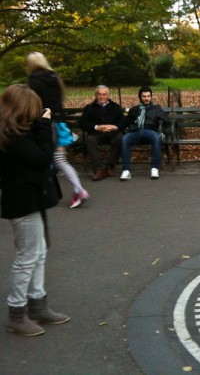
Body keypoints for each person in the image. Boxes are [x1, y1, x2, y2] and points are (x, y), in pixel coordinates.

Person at [0, 85, 70, 337]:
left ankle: (37, 304)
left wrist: (39, 127)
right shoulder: (10, 136)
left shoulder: (17, 132)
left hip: (31, 199)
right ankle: (17, 313)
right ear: (21, 110)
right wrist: (43, 126)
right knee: (27, 257)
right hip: (23, 201)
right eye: (33, 110)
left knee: (38, 253)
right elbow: (42, 158)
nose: (36, 114)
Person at [27, 52, 89, 209]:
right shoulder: (54, 78)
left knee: (57, 160)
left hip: (45, 123)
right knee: (57, 159)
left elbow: (34, 103)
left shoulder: (34, 80)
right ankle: (68, 189)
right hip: (59, 122)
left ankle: (78, 189)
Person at [120, 86, 170, 181]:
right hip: (135, 132)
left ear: (151, 97)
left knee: (156, 138)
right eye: (144, 96)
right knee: (125, 139)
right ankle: (126, 170)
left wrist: (163, 134)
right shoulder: (134, 109)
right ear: (140, 97)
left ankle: (154, 168)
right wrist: (125, 130)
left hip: (150, 131)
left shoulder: (157, 109)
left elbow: (168, 122)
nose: (146, 98)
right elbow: (126, 122)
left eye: (148, 96)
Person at [79, 85, 126, 181]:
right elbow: (83, 123)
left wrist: (115, 127)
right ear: (96, 95)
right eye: (99, 94)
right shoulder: (90, 108)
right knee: (90, 140)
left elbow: (123, 121)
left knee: (120, 138)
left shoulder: (115, 107)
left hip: (113, 133)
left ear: (108, 95)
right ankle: (98, 170)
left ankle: (110, 167)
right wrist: (97, 127)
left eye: (104, 94)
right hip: (97, 133)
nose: (102, 97)